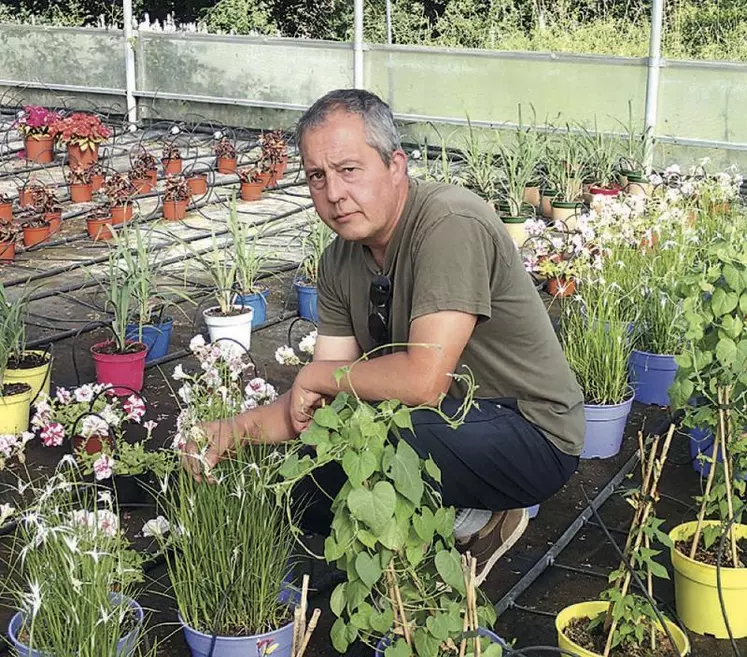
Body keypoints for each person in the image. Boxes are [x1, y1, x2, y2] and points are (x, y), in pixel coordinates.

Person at [182, 88, 585, 585]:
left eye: (349, 169)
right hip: (439, 425)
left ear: (396, 165)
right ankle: (455, 521)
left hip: (529, 433)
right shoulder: (338, 261)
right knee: (304, 489)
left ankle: (482, 514)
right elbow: (324, 400)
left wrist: (318, 376)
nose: (333, 193)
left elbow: (421, 381)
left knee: (372, 451)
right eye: (316, 177)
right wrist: (232, 431)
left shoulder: (449, 224)